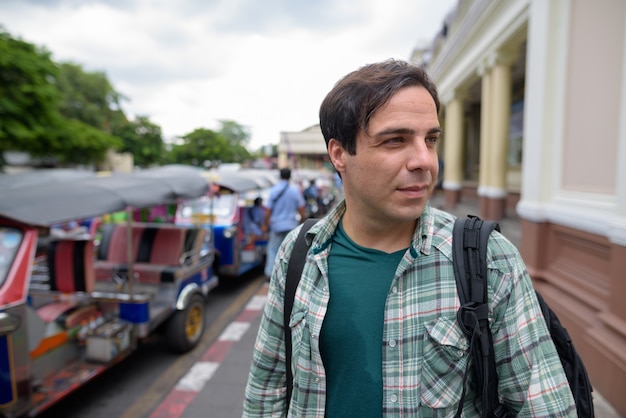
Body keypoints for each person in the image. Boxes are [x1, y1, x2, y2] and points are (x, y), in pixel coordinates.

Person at [243, 60, 576, 416]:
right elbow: (266, 391)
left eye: (430, 139)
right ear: (339, 154)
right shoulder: (300, 253)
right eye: (395, 140)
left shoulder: (487, 259)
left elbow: (545, 406)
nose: (425, 160)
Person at [262, 167, 306, 279]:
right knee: (290, 250)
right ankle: (289, 275)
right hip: (291, 225)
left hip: (276, 225)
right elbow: (301, 208)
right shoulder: (295, 190)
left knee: (273, 249)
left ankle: (270, 274)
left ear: (280, 176)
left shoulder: (273, 190)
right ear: (290, 176)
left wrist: (266, 224)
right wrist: (303, 221)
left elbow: (268, 210)